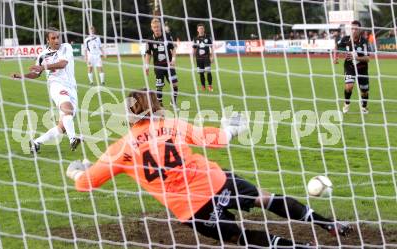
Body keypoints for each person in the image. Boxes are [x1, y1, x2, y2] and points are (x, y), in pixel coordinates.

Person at [66, 88, 351, 248]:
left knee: (239, 237)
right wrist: (230, 129)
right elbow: (214, 139)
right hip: (215, 181)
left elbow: (86, 183)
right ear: (156, 107)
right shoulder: (172, 125)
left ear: (128, 115)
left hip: (190, 208)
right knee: (264, 198)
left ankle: (303, 248)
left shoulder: (120, 149)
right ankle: (328, 224)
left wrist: (77, 170)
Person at [11, 27, 81, 153]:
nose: (57, 40)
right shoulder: (42, 55)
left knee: (62, 126)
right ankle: (72, 139)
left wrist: (43, 67)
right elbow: (36, 73)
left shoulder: (66, 47)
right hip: (56, 86)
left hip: (72, 88)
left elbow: (63, 64)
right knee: (68, 110)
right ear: (48, 40)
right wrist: (22, 76)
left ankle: (36, 142)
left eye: (58, 37)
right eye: (53, 38)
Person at [334, 20, 370, 114]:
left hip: (362, 68)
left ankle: (364, 106)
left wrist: (356, 57)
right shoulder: (345, 39)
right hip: (349, 66)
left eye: (356, 29)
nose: (354, 30)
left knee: (364, 91)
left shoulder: (364, 42)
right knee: (349, 87)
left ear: (359, 30)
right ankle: (346, 103)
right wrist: (335, 57)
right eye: (352, 28)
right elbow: (336, 46)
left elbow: (367, 58)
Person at [144, 18, 179, 110]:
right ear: (152, 28)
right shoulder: (150, 40)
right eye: (154, 27)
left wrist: (174, 59)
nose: (156, 29)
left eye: (158, 27)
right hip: (158, 66)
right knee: (159, 87)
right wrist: (146, 66)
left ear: (160, 27)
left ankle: (173, 103)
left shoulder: (167, 36)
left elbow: (173, 48)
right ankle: (160, 105)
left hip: (169, 65)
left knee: (175, 84)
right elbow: (148, 54)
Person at [192, 23, 214, 92]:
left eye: (202, 28)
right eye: (199, 28)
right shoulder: (195, 39)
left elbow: (212, 47)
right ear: (197, 30)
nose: (201, 30)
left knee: (208, 71)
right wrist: (193, 58)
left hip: (206, 57)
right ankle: (203, 86)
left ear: (204, 29)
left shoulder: (208, 37)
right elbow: (194, 49)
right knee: (201, 73)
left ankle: (210, 86)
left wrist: (212, 56)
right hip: (198, 58)